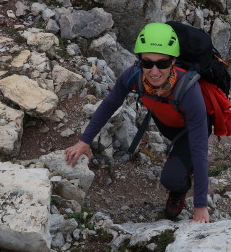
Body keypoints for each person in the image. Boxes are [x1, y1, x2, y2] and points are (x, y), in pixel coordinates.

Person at [65, 22, 211, 223]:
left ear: (174, 61)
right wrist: (84, 141)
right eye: (147, 63)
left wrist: (200, 206)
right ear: (139, 61)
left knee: (171, 178)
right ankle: (183, 165)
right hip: (166, 123)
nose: (154, 71)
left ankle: (180, 188)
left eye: (162, 63)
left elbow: (200, 148)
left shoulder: (189, 90)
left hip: (189, 131)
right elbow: (109, 105)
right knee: (181, 161)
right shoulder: (134, 76)